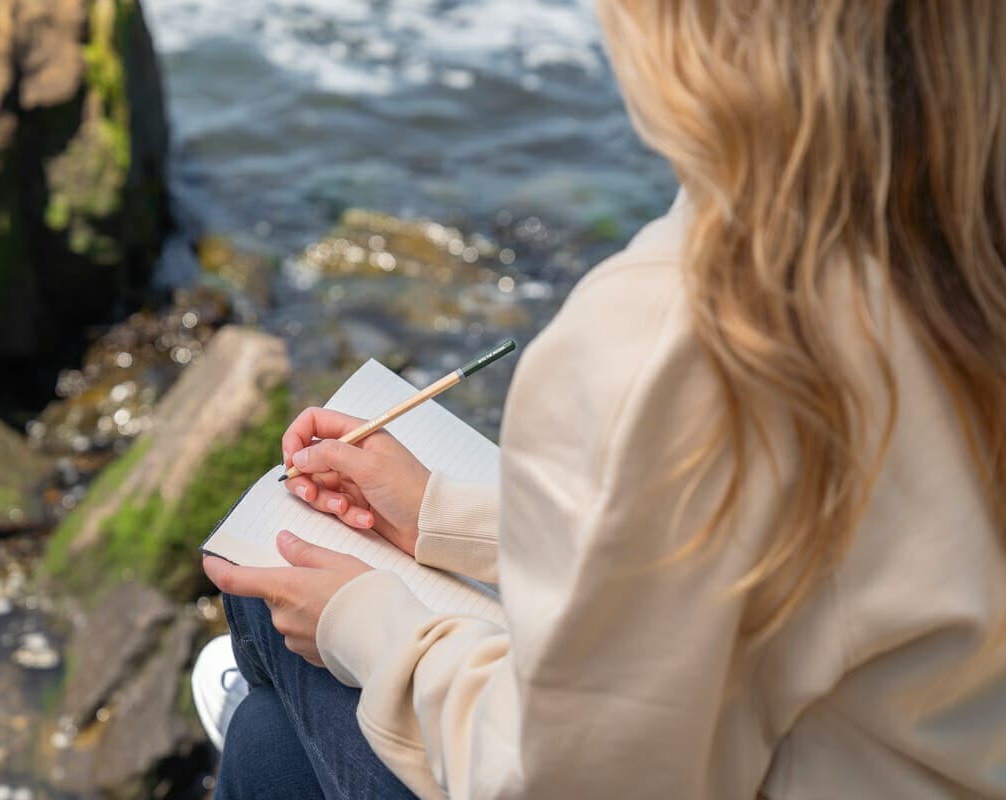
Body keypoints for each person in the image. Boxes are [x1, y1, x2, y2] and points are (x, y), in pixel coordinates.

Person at [201, 1, 1006, 797]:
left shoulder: (687, 331)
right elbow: (759, 562)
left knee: (266, 649)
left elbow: (572, 780)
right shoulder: (960, 251)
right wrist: (445, 517)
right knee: (270, 750)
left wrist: (364, 625)